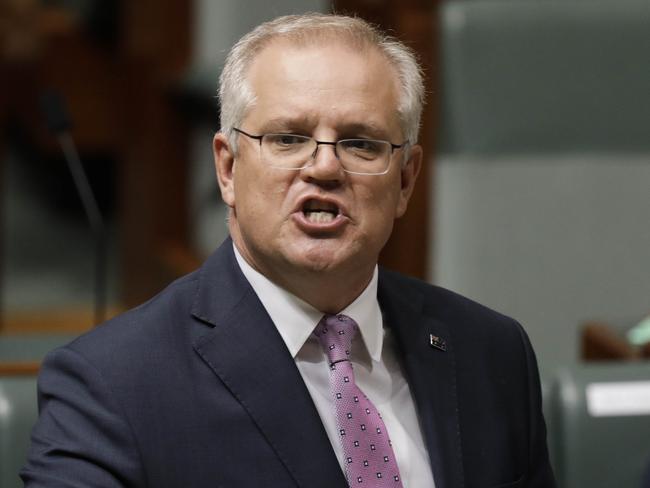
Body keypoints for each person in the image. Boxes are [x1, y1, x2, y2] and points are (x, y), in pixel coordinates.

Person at [21, 13, 556, 488]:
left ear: (407, 181)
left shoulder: (492, 353)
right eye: (287, 138)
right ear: (228, 169)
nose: (324, 167)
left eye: (361, 143)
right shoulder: (112, 386)